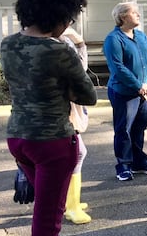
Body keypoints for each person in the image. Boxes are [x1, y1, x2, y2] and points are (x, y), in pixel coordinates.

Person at [2, 0, 96, 236]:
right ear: (58, 17)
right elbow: (87, 96)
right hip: (52, 142)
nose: (68, 24)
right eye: (69, 18)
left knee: (48, 205)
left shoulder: (8, 45)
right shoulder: (58, 51)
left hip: (18, 138)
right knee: (47, 220)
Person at [103, 2, 147, 181]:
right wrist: (138, 86)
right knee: (124, 130)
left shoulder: (141, 36)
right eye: (133, 12)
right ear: (123, 17)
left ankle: (138, 162)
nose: (138, 15)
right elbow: (118, 67)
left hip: (145, 92)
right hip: (124, 92)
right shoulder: (114, 39)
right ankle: (123, 165)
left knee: (139, 128)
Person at [60, 27, 92, 225]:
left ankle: (71, 202)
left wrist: (80, 43)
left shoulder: (63, 39)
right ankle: (70, 206)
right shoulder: (54, 44)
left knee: (78, 152)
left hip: (70, 105)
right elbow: (79, 69)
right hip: (62, 108)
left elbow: (81, 67)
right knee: (76, 152)